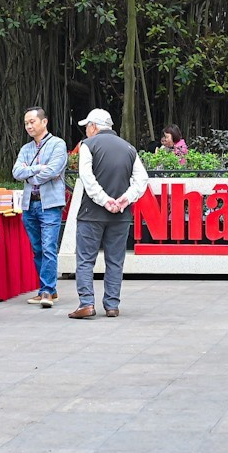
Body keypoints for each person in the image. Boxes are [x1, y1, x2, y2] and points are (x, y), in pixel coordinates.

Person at [72, 108, 147, 319]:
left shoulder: (88, 145)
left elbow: (87, 178)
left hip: (91, 214)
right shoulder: (129, 148)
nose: (86, 131)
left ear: (94, 126)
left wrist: (104, 201)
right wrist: (125, 199)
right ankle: (112, 305)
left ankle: (86, 303)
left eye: (87, 126)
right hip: (121, 215)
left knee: (86, 259)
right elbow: (142, 180)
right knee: (115, 260)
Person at [14, 107, 68, 308]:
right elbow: (17, 172)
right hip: (30, 204)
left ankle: (46, 290)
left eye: (32, 122)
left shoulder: (57, 144)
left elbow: (54, 170)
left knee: (48, 248)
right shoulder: (25, 149)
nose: (28, 126)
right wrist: (37, 169)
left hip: (50, 205)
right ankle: (49, 290)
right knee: (37, 249)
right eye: (26, 123)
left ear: (44, 122)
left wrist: (30, 174)